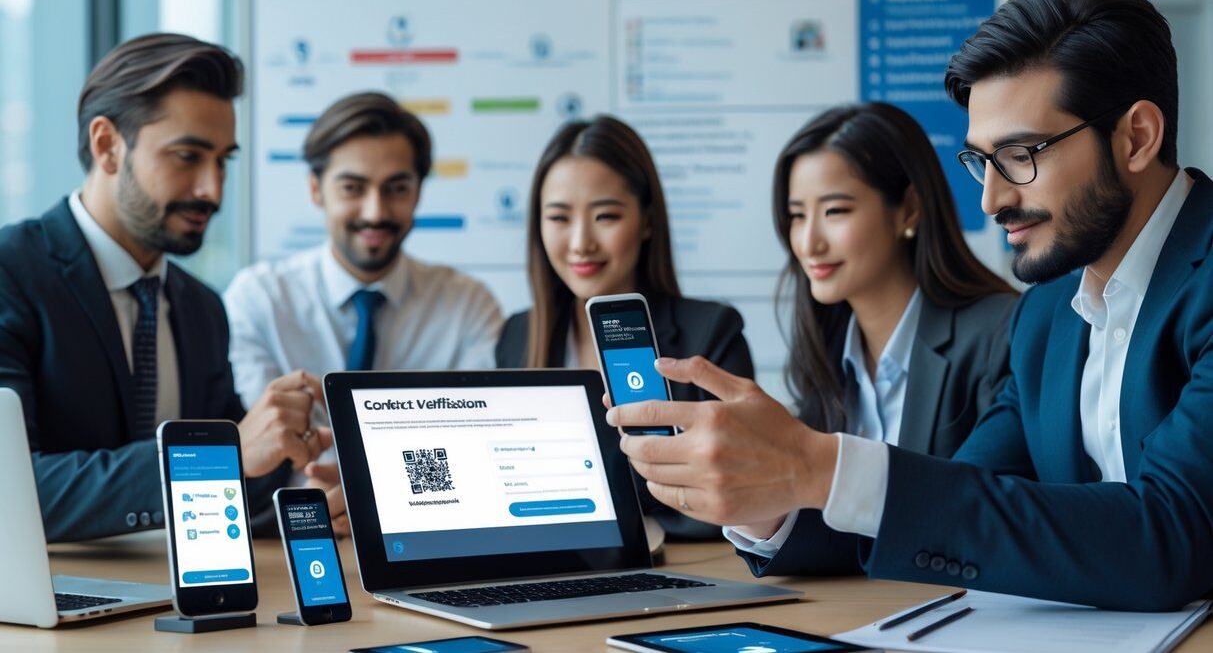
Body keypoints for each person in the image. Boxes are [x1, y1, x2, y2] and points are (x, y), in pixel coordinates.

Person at [608, 0, 1213, 611]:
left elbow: (1169, 536)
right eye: (982, 162)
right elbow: (955, 501)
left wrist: (820, 465)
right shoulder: (1045, 317)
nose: (991, 201)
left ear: (1137, 137)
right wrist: (772, 495)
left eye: (1020, 155)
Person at [0, 33, 327, 542]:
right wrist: (221, 455)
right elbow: (12, 490)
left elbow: (230, 485)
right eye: (187, 156)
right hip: (44, 607)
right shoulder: (10, 273)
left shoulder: (202, 309)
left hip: (179, 602)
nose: (212, 190)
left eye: (222, 160)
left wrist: (298, 478)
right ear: (107, 145)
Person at [724, 102, 1017, 574]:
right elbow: (847, 539)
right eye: (797, 215)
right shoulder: (825, 352)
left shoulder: (1000, 334)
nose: (809, 242)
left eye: (835, 210)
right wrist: (761, 507)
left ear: (909, 209)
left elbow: (979, 518)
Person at [225, 92, 503, 533]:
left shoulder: (468, 305)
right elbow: (268, 446)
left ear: (418, 192)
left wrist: (385, 496)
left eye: (396, 189)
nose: (375, 211)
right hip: (290, 540)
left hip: (430, 537)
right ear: (316, 189)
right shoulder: (261, 300)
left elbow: (479, 449)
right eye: (352, 188)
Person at [496, 115, 754, 539]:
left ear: (647, 221)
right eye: (559, 218)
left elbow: (735, 488)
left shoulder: (710, 333)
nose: (580, 242)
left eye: (605, 216)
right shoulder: (517, 336)